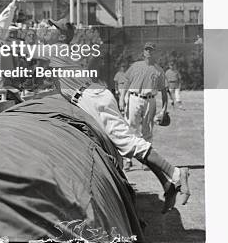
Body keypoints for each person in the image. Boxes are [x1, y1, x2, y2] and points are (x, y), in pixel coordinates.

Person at [41, 21, 189, 213]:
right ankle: (167, 185)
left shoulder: (56, 49)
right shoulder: (58, 49)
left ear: (61, 37)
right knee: (127, 145)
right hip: (91, 97)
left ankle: (176, 172)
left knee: (129, 143)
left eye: (52, 27)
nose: (47, 28)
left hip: (91, 98)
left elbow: (17, 49)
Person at [119, 43, 168, 147]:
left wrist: (164, 109)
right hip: (134, 98)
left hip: (150, 101)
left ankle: (146, 159)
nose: (149, 52)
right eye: (147, 49)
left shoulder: (159, 70)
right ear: (144, 52)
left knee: (148, 130)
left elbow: (164, 91)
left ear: (155, 53)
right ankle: (129, 159)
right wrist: (121, 99)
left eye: (151, 50)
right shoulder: (135, 66)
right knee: (131, 128)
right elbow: (126, 82)